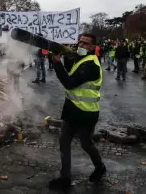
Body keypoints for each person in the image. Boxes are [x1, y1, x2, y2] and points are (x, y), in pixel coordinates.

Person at [49, 33, 106, 190]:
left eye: (86, 44)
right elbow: (71, 69)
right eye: (80, 42)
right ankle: (67, 176)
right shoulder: (82, 60)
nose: (81, 45)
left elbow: (69, 83)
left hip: (82, 112)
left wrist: (57, 63)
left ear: (93, 47)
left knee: (83, 143)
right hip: (78, 110)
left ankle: (96, 168)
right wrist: (63, 56)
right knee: (72, 141)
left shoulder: (91, 65)